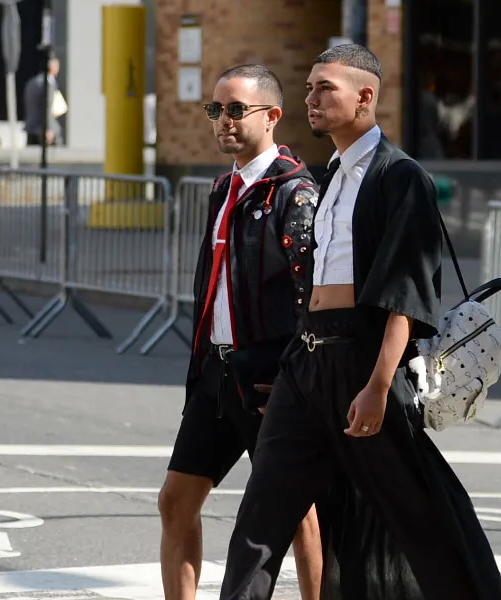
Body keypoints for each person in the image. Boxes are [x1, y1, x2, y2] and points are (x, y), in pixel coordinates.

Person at [217, 44, 501, 600]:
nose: (311, 98)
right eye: (308, 88)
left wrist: (377, 386)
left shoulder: (401, 178)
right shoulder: (328, 176)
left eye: (325, 88)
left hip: (364, 361)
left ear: (365, 97)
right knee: (261, 515)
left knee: (422, 516)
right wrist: (294, 362)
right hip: (306, 365)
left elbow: (406, 294)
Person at [156, 64, 322, 600]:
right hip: (216, 372)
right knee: (176, 500)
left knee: (298, 514)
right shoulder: (224, 186)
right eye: (214, 110)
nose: (222, 121)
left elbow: (312, 296)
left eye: (235, 110)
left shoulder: (293, 192)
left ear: (272, 116)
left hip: (270, 377)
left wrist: (296, 373)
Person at [24, 56, 65, 146]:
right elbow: (47, 107)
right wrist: (48, 129)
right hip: (44, 131)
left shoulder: (31, 82)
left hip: (31, 128)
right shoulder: (48, 84)